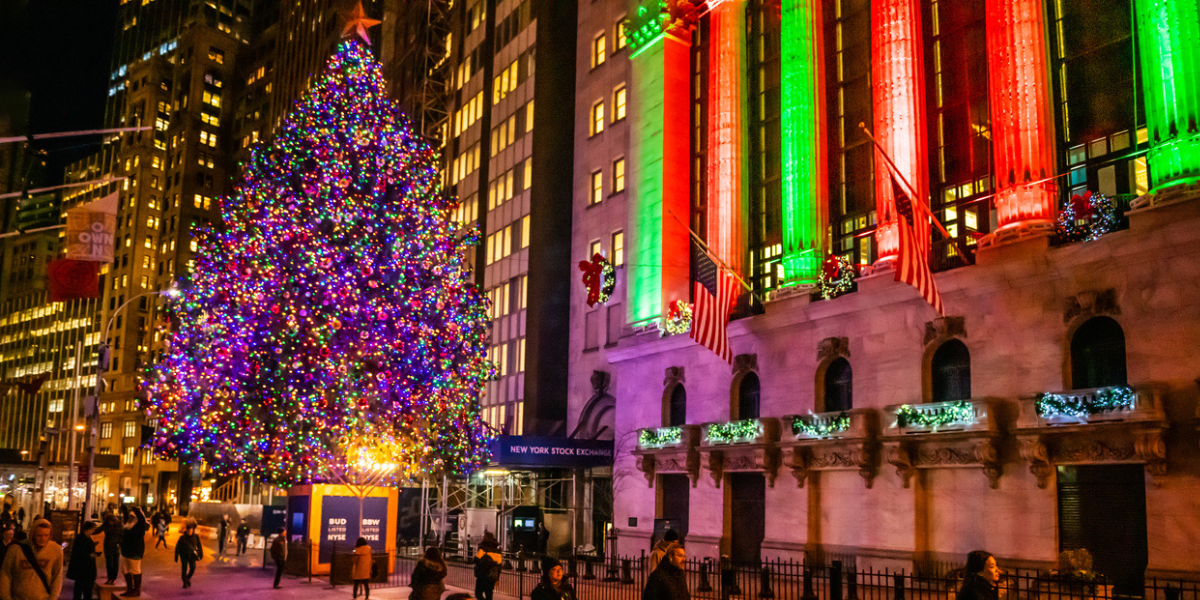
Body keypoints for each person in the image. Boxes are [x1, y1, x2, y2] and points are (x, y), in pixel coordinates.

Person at [0, 518, 64, 600]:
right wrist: (5, 597)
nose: (43, 539)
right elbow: (5, 574)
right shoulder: (16, 549)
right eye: (39, 535)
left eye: (46, 535)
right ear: (32, 534)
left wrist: (53, 597)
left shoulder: (56, 550)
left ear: (50, 535)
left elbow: (57, 577)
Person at [117, 506, 148, 597]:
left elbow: (142, 520)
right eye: (130, 516)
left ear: (136, 517)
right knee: (125, 570)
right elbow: (126, 516)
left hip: (135, 552)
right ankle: (129, 589)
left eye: (133, 517)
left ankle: (136, 590)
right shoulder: (128, 525)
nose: (130, 518)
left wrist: (137, 511)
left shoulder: (139, 526)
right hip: (125, 551)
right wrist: (124, 509)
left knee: (135, 571)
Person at [67, 521, 100, 600]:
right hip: (83, 569)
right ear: (88, 529)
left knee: (83, 589)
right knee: (82, 589)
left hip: (86, 569)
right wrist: (91, 554)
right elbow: (79, 553)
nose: (94, 531)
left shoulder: (85, 537)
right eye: (93, 529)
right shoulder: (81, 538)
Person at [474, 530, 503, 600]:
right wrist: (497, 579)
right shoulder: (498, 551)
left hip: (482, 575)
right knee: (489, 594)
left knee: (478, 593)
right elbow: (499, 567)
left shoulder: (483, 549)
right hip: (492, 576)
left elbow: (475, 560)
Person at [174, 521, 203, 589]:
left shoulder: (196, 537)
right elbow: (177, 547)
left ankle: (187, 578)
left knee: (193, 568)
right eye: (189, 531)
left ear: (193, 530)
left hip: (192, 556)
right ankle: (184, 582)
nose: (190, 532)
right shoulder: (182, 538)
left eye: (191, 531)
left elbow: (199, 545)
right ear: (186, 530)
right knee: (184, 569)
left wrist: (201, 554)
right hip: (183, 556)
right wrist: (176, 556)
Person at [99, 514, 122, 585]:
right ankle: (111, 578)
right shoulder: (108, 524)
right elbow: (98, 530)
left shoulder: (118, 525)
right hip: (110, 545)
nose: (110, 522)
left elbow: (122, 535)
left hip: (113, 546)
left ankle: (112, 578)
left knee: (113, 562)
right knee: (110, 562)